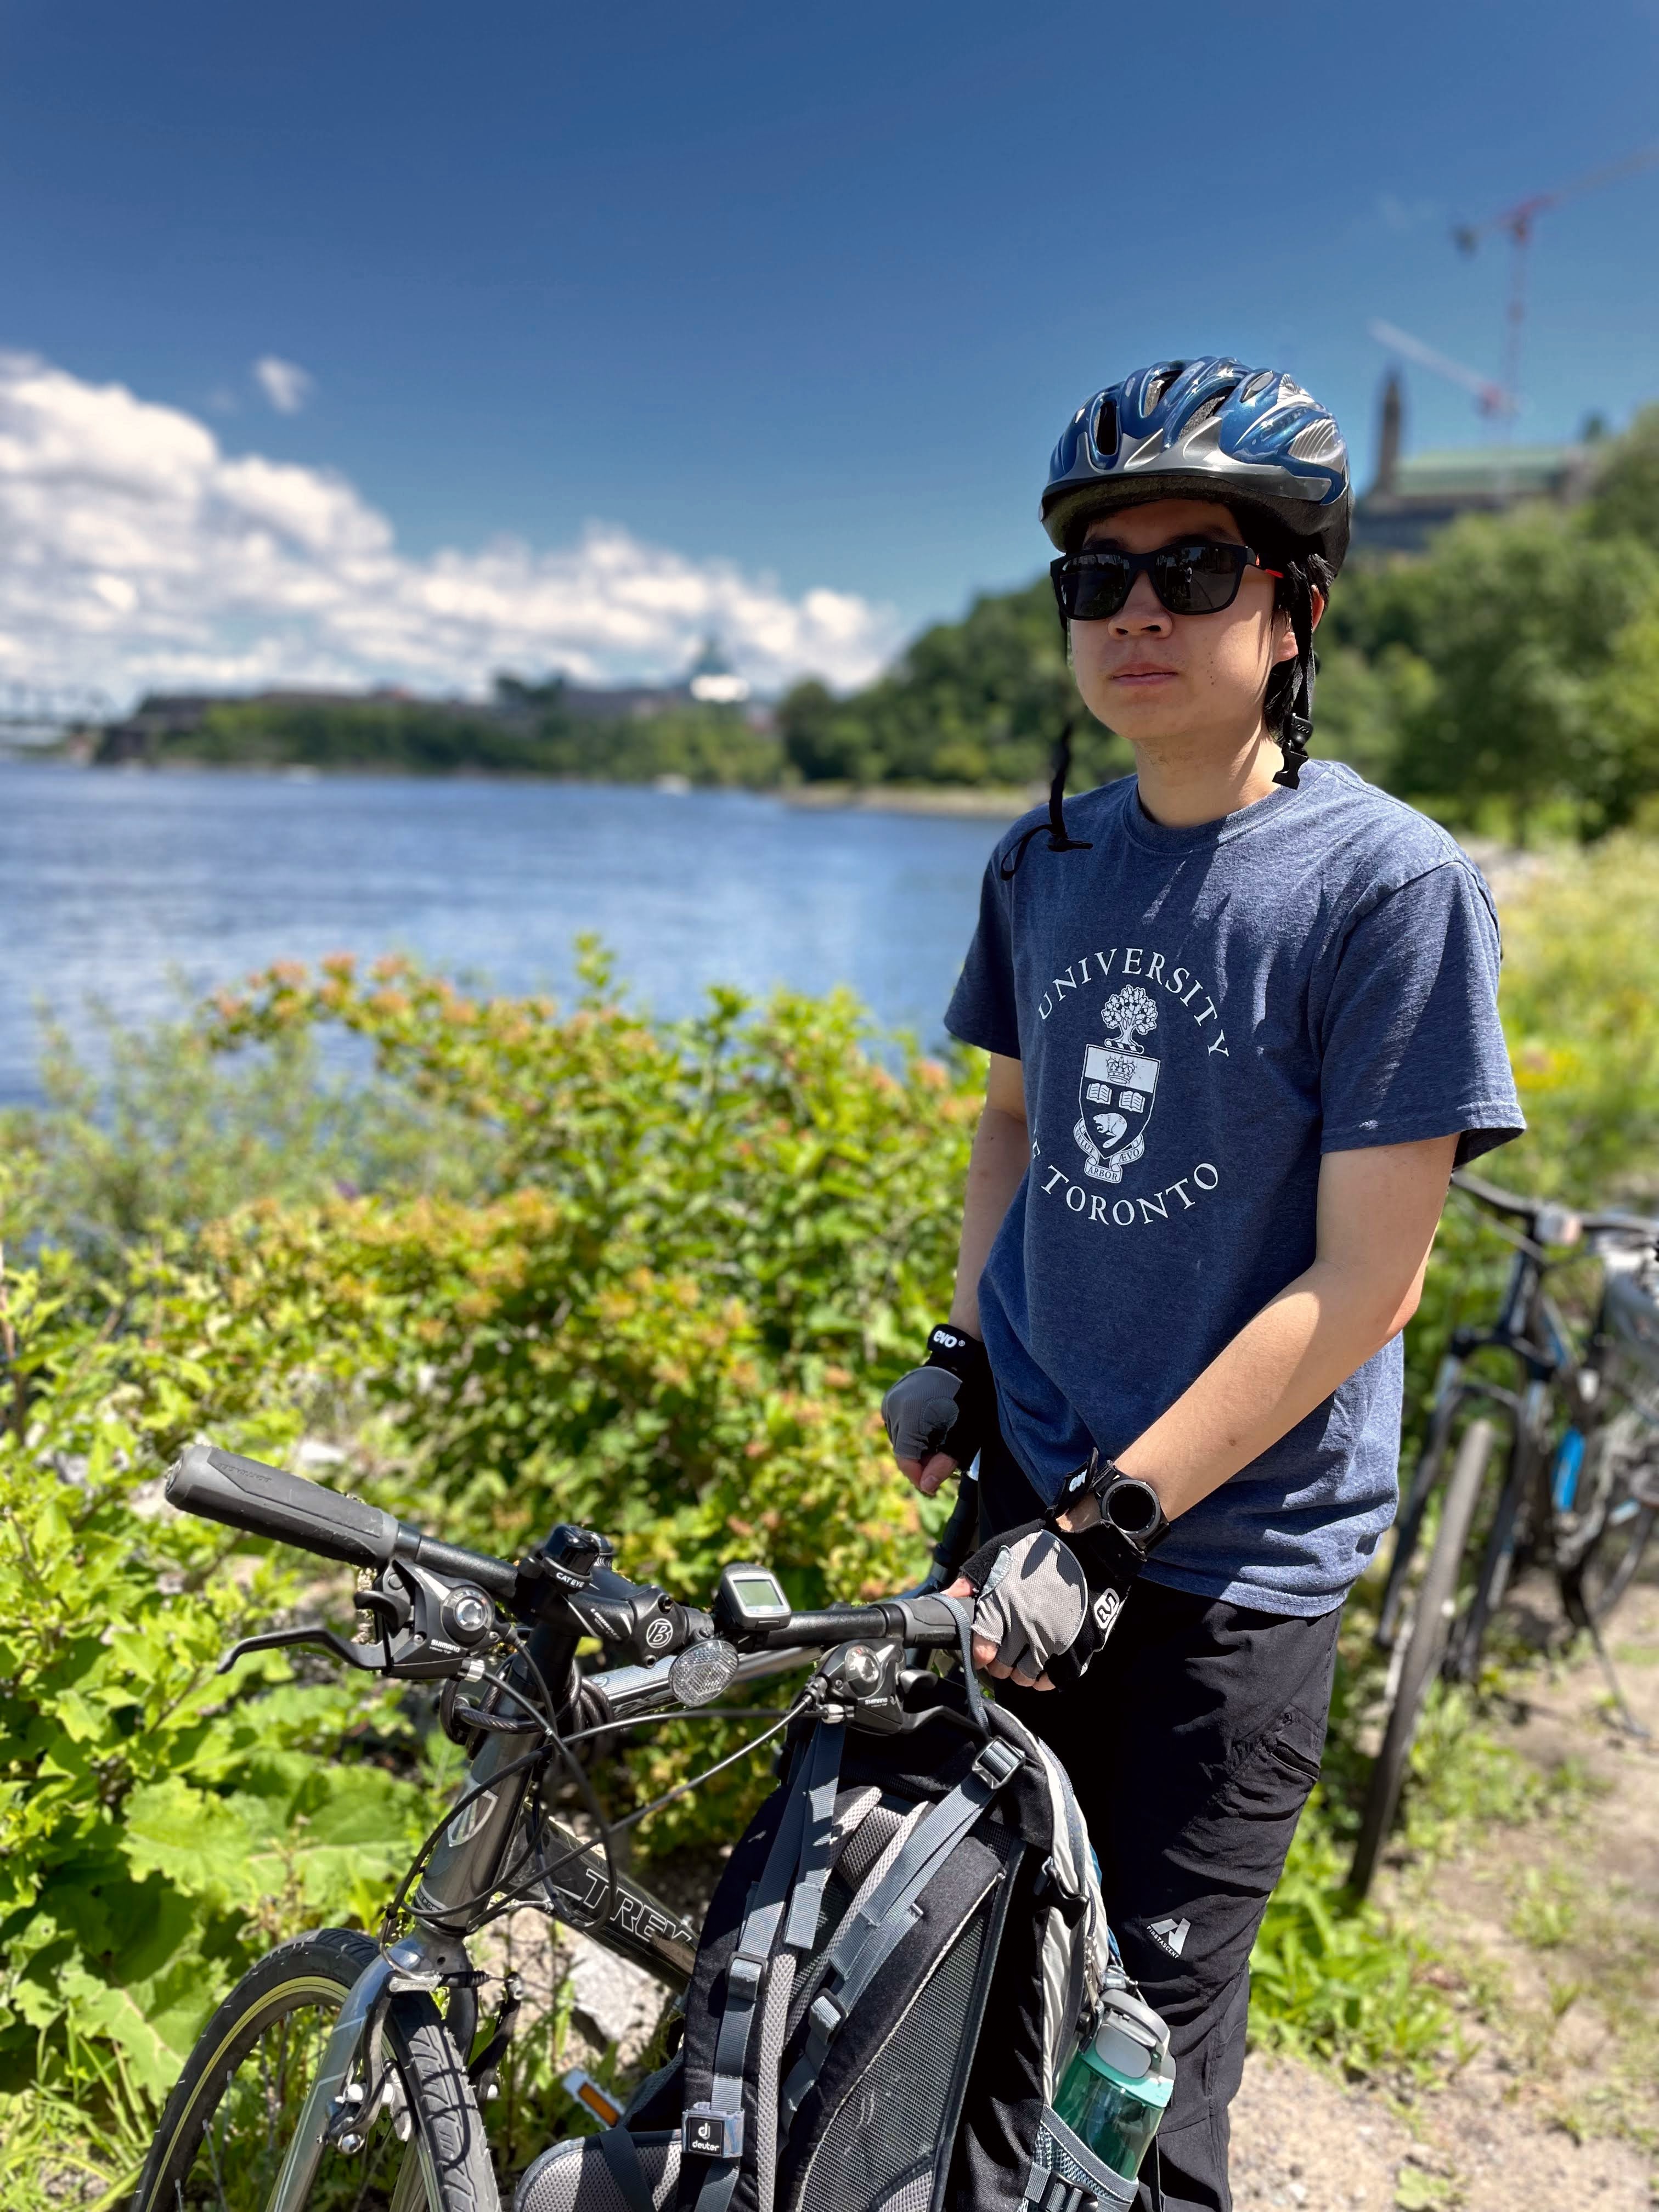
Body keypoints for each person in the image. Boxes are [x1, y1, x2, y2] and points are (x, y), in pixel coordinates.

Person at [881, 358, 1524, 2212]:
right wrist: (969, 1355)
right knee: (953, 1966)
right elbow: (1011, 1128)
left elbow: (1368, 1282)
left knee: (1130, 2081)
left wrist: (1113, 1523)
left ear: (1294, 607)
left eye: (1199, 570)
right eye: (1101, 579)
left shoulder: (1389, 887)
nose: (1140, 611)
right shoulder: (1043, 864)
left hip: (1220, 1568)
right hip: (1026, 1516)